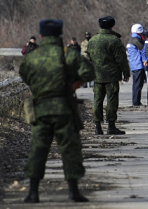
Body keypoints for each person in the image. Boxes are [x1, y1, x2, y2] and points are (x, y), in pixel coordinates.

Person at [20, 19, 95, 203]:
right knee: (70, 149)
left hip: (40, 110)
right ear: (60, 34)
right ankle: (73, 191)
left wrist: (40, 87)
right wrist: (72, 86)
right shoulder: (69, 54)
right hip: (64, 109)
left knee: (38, 149)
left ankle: (33, 192)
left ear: (41, 35)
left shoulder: (32, 56)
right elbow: (89, 73)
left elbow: (24, 74)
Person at [86, 16, 129, 135]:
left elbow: (88, 59)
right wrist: (126, 73)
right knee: (112, 100)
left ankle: (97, 127)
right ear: (112, 26)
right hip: (112, 75)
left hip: (97, 75)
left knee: (97, 100)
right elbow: (122, 59)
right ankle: (111, 127)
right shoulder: (114, 40)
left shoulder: (92, 40)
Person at [127, 24, 147, 107]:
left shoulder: (132, 39)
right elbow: (144, 50)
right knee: (138, 84)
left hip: (134, 65)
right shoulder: (136, 40)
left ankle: (136, 101)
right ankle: (136, 102)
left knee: (136, 84)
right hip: (138, 65)